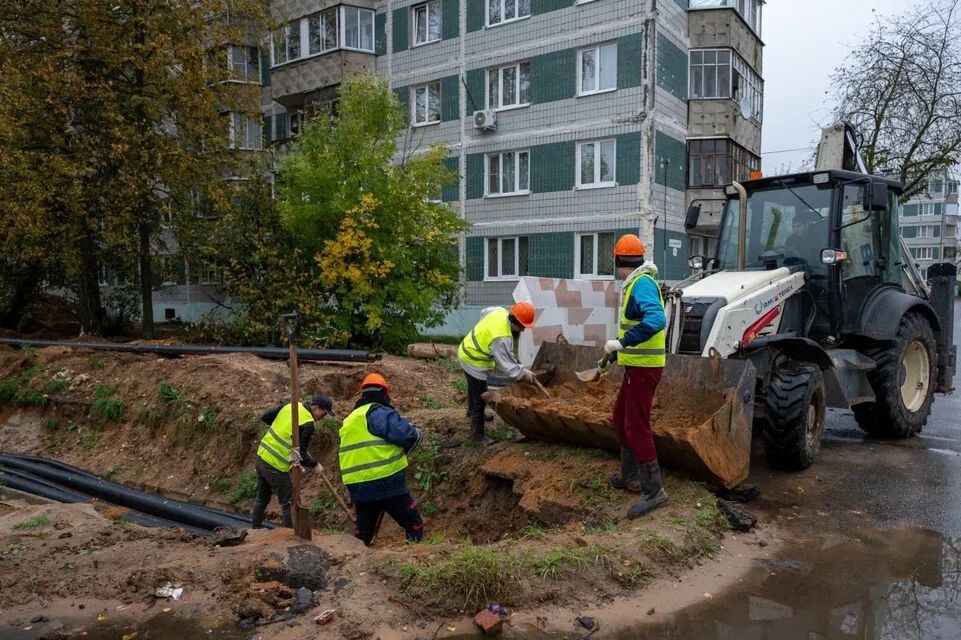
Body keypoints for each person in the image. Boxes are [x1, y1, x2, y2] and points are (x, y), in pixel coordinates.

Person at [603, 234, 669, 518]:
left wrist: (623, 342)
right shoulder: (637, 283)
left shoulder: (641, 284)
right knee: (621, 419)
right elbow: (638, 326)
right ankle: (629, 475)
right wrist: (616, 352)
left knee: (636, 425)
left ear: (619, 260)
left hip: (645, 369)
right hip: (636, 366)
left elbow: (656, 320)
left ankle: (654, 491)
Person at [339, 373, 425, 546]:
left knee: (363, 536)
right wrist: (417, 432)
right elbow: (408, 436)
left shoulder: (350, 420)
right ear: (385, 393)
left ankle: (357, 568)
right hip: (386, 482)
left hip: (359, 487)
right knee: (414, 524)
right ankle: (412, 561)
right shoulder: (378, 412)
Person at [458, 301, 538, 445]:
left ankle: (471, 411)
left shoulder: (500, 311)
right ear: (515, 323)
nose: (522, 331)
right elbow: (508, 368)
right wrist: (524, 373)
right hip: (473, 359)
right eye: (521, 327)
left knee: (474, 386)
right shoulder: (501, 338)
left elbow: (483, 312)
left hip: (466, 348)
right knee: (481, 397)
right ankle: (478, 436)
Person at [251, 395, 335, 528]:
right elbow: (300, 454)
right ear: (317, 408)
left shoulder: (291, 406)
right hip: (275, 464)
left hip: (262, 456)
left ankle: (255, 528)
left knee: (262, 497)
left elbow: (266, 417)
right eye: (324, 414)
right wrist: (315, 464)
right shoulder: (308, 423)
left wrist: (282, 427)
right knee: (289, 502)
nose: (323, 417)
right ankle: (289, 535)